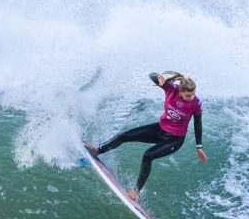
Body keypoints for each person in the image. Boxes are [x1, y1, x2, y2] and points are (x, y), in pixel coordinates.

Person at [86, 71, 207, 202]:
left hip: (174, 140)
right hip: (160, 129)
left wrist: (199, 146)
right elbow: (152, 76)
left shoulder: (196, 103)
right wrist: (159, 78)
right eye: (189, 95)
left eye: (194, 93)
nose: (192, 97)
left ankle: (135, 191)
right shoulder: (171, 89)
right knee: (124, 136)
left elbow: (197, 123)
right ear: (181, 91)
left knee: (148, 156)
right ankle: (99, 150)